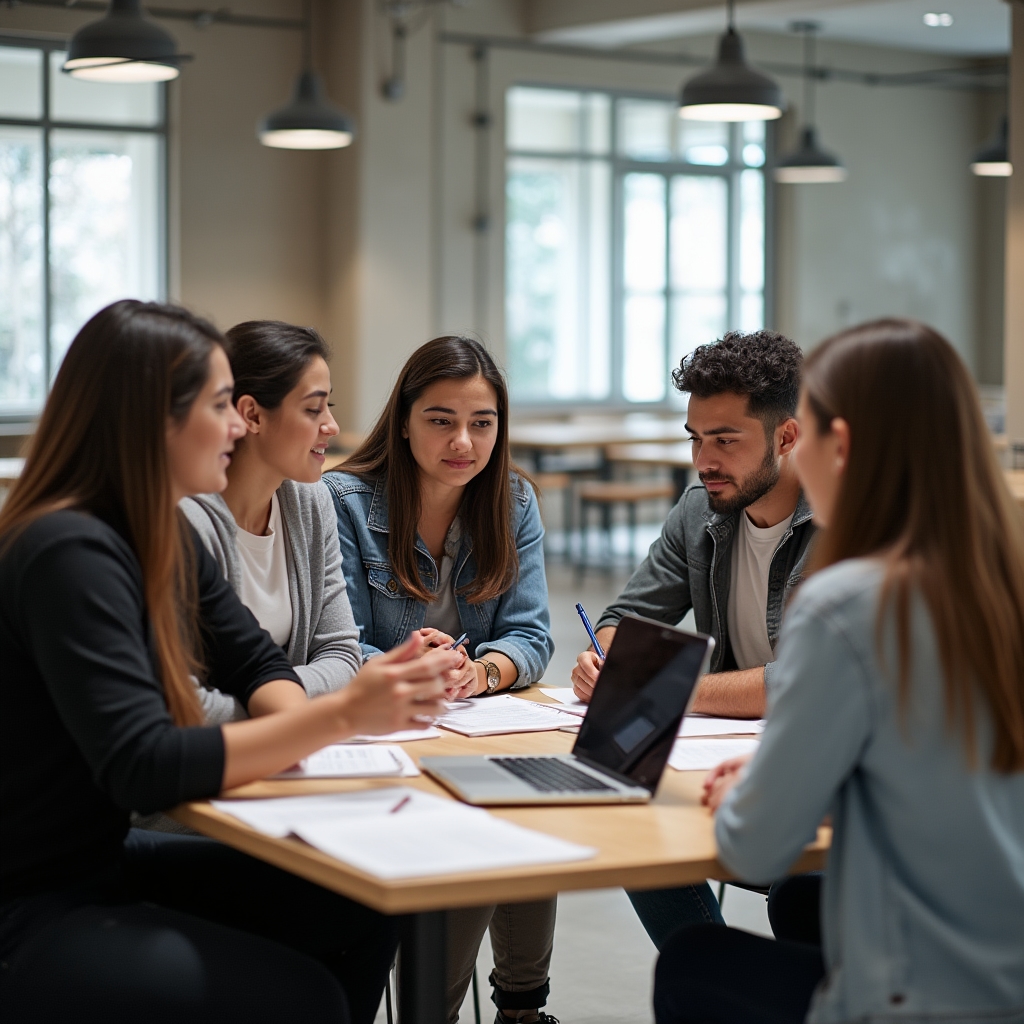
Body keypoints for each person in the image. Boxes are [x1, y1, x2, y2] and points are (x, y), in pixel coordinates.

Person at [0, 300, 458, 1024]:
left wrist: (311, 730)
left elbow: (256, 663)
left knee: (363, 898)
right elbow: (142, 763)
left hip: (104, 862)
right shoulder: (68, 550)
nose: (240, 425)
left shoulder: (151, 530)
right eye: (222, 405)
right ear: (156, 420)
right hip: (31, 900)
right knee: (301, 999)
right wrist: (341, 714)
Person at [654, 318, 1024, 1024]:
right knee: (803, 899)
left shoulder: (847, 604)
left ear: (840, 445)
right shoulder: (994, 584)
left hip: (921, 1000)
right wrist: (821, 787)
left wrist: (762, 790)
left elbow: (754, 844)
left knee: (693, 960)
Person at [323, 336, 557, 1024]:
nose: (464, 441)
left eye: (482, 423)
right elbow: (339, 645)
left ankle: (522, 1010)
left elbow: (532, 635)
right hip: (380, 734)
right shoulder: (341, 499)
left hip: (470, 724)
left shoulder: (512, 502)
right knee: (481, 828)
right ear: (403, 418)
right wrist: (407, 668)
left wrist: (481, 671)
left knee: (531, 801)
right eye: (440, 419)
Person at [570, 330, 815, 948]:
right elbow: (627, 613)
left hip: (819, 763)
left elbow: (803, 681)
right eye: (696, 438)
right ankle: (709, 969)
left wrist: (668, 688)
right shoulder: (698, 511)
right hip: (721, 754)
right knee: (622, 811)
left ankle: (726, 985)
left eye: (726, 440)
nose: (704, 459)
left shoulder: (841, 522)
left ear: (787, 436)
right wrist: (609, 659)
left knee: (804, 896)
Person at [181, 320, 362, 723]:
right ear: (252, 415)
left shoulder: (311, 501)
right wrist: (285, 708)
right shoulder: (188, 520)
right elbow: (183, 701)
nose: (330, 426)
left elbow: (343, 656)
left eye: (329, 407)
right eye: (313, 409)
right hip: (220, 759)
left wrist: (280, 703)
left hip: (277, 747)